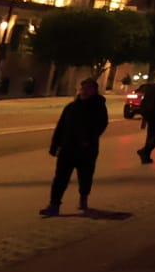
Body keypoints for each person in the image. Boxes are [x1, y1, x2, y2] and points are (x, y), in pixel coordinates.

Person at [41, 78, 108, 216]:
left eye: (88, 89)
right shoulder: (71, 107)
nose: (84, 91)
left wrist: (88, 140)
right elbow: (61, 127)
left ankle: (83, 197)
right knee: (60, 177)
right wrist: (55, 145)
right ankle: (54, 204)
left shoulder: (98, 107)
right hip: (67, 148)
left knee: (85, 177)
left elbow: (101, 125)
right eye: (83, 88)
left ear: (94, 91)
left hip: (86, 150)